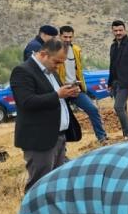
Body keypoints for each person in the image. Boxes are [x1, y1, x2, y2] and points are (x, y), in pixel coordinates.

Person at [12, 38, 83, 190]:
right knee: (39, 185)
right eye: (57, 62)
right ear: (44, 54)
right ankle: (31, 213)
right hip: (40, 140)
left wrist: (68, 92)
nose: (58, 67)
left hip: (58, 138)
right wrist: (58, 94)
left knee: (57, 183)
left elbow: (52, 96)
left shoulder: (50, 72)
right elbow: (26, 102)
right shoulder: (23, 71)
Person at [56, 26, 108, 144]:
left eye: (70, 37)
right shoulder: (54, 51)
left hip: (75, 88)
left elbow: (78, 70)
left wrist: (80, 85)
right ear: (60, 36)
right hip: (60, 90)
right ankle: (60, 147)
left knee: (93, 109)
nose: (68, 39)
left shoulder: (76, 50)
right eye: (65, 37)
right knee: (60, 118)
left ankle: (102, 138)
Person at [107, 20, 128, 140]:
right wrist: (109, 83)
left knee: (118, 107)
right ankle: (126, 136)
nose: (118, 32)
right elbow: (112, 65)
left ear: (125, 30)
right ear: (112, 31)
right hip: (115, 82)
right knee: (123, 108)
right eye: (115, 30)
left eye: (120, 30)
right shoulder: (113, 46)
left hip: (126, 83)